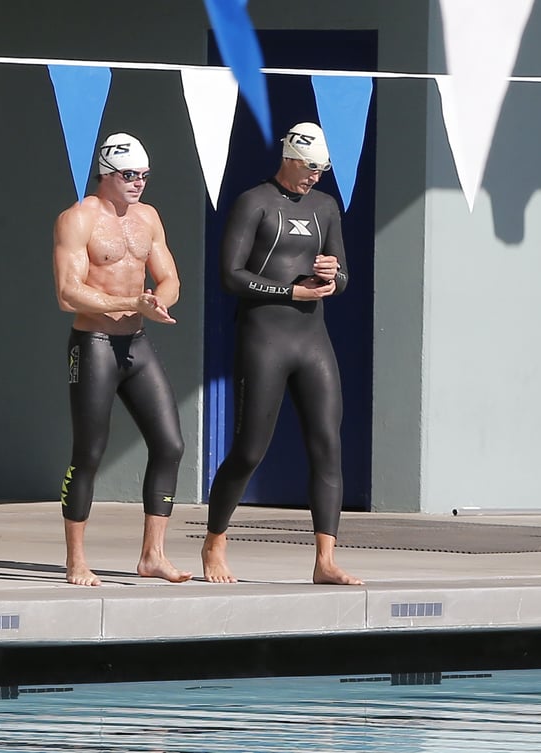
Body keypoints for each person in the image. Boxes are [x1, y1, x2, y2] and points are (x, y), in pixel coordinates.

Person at [202, 122, 364, 586]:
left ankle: (325, 560)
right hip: (264, 339)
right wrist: (290, 292)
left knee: (327, 446)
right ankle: (215, 540)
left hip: (312, 342)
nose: (315, 176)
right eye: (310, 167)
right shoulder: (254, 202)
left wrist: (334, 278)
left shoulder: (326, 207)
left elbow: (342, 274)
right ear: (289, 157)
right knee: (250, 449)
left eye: (323, 169)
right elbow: (230, 276)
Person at [52, 132, 191, 587]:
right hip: (92, 345)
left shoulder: (148, 219)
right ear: (107, 175)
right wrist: (132, 300)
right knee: (89, 452)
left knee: (170, 444)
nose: (139, 184)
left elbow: (169, 277)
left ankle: (153, 555)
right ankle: (76, 560)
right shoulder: (77, 219)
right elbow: (68, 294)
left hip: (136, 344)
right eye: (130, 176)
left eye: (145, 176)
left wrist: (157, 302)